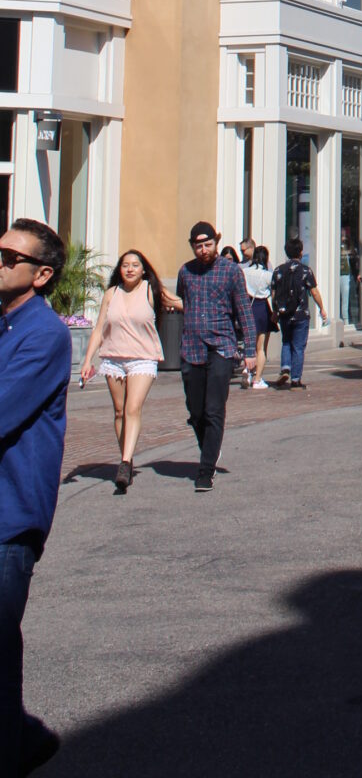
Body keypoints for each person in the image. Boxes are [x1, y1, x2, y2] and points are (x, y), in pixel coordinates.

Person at [1, 218, 70, 775]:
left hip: (9, 517)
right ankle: (25, 740)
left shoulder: (44, 334)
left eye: (9, 258)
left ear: (41, 275)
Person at [78, 248, 180, 488]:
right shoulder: (111, 293)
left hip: (142, 358)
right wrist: (87, 360)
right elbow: (99, 328)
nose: (130, 269)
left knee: (133, 408)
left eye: (135, 265)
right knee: (119, 411)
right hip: (113, 357)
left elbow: (185, 305)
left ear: (143, 269)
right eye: (125, 265)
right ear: (119, 269)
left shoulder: (152, 290)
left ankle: (124, 463)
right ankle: (127, 454)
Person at [175, 221, 257, 490]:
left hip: (221, 346)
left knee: (213, 409)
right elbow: (183, 301)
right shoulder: (185, 272)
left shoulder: (231, 271)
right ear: (192, 246)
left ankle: (205, 469)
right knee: (196, 411)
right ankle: (210, 448)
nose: (203, 250)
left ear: (216, 243)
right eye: (198, 246)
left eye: (208, 244)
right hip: (192, 347)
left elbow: (244, 311)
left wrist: (251, 351)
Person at [270, 236, 328, 389]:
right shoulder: (305, 270)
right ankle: (295, 379)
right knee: (298, 346)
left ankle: (285, 367)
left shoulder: (278, 270)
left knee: (286, 341)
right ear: (300, 252)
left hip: (284, 313)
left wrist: (275, 311)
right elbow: (314, 292)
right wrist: (321, 308)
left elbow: (274, 294)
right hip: (301, 314)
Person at [241, 245, 272, 387]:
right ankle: (257, 379)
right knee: (261, 348)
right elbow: (273, 292)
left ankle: (247, 371)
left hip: (248, 307)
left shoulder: (244, 272)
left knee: (248, 344)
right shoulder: (267, 275)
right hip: (262, 307)